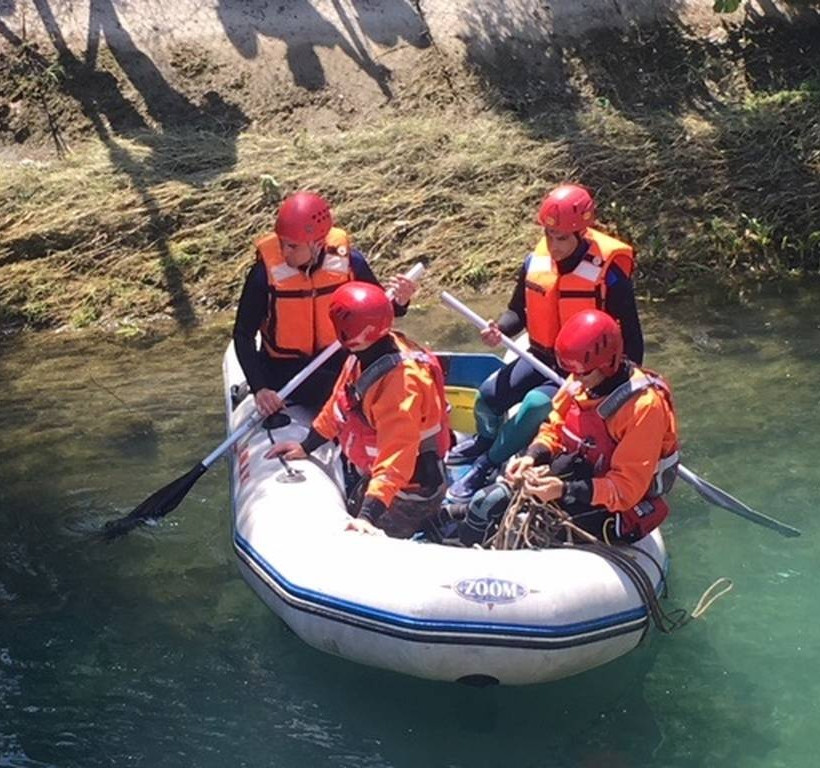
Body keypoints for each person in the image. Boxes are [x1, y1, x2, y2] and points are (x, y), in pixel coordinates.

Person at [446, 183, 644, 502]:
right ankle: (485, 441)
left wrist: (622, 389)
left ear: (581, 232)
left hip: (582, 370)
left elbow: (632, 337)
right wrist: (501, 328)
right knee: (487, 397)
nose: (553, 245)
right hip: (540, 356)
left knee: (535, 406)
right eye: (549, 235)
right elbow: (517, 312)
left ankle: (486, 465)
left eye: (562, 238)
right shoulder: (534, 262)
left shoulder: (609, 276)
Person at [265, 282, 450, 538]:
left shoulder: (401, 384)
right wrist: (306, 446)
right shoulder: (363, 355)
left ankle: (433, 524)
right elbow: (339, 405)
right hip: (382, 478)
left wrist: (367, 517)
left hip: (410, 493)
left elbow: (398, 456)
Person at [487, 309, 678, 545]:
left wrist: (564, 490)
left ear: (607, 364)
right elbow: (554, 428)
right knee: (489, 503)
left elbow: (625, 490)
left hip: (619, 508)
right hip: (582, 474)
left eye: (582, 373)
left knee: (534, 534)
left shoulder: (643, 407)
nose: (575, 379)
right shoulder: (581, 379)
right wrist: (533, 456)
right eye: (572, 372)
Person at [232, 191, 417, 416]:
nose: (284, 252)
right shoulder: (263, 274)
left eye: (292, 246)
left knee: (380, 365)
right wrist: (259, 387)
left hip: (338, 361)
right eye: (282, 243)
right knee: (326, 387)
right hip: (284, 370)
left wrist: (401, 300)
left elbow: (382, 311)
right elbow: (243, 334)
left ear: (317, 243)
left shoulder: (350, 263)